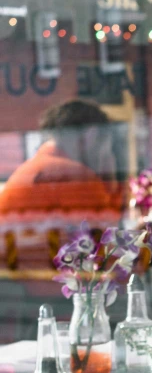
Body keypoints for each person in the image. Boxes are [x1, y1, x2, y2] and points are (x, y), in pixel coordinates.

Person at [0, 99, 123, 270]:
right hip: (57, 290)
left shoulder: (30, 169)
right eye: (107, 146)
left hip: (23, 287)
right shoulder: (76, 177)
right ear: (91, 135)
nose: (109, 153)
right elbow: (106, 254)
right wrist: (110, 183)